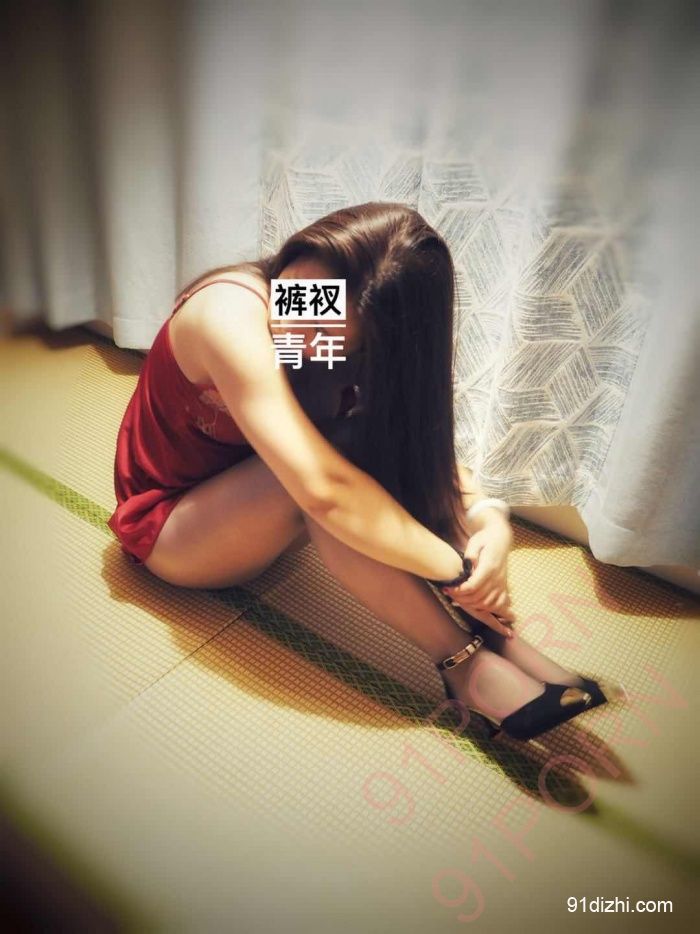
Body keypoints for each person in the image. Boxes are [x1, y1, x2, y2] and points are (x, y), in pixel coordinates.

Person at [107, 202, 626, 740]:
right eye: (295, 294)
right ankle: (464, 665)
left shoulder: (344, 327)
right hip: (173, 528)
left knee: (370, 448)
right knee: (325, 480)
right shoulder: (229, 314)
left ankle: (503, 641)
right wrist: (454, 572)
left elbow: (415, 452)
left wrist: (491, 523)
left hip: (253, 507)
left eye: (323, 322)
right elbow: (323, 489)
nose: (291, 324)